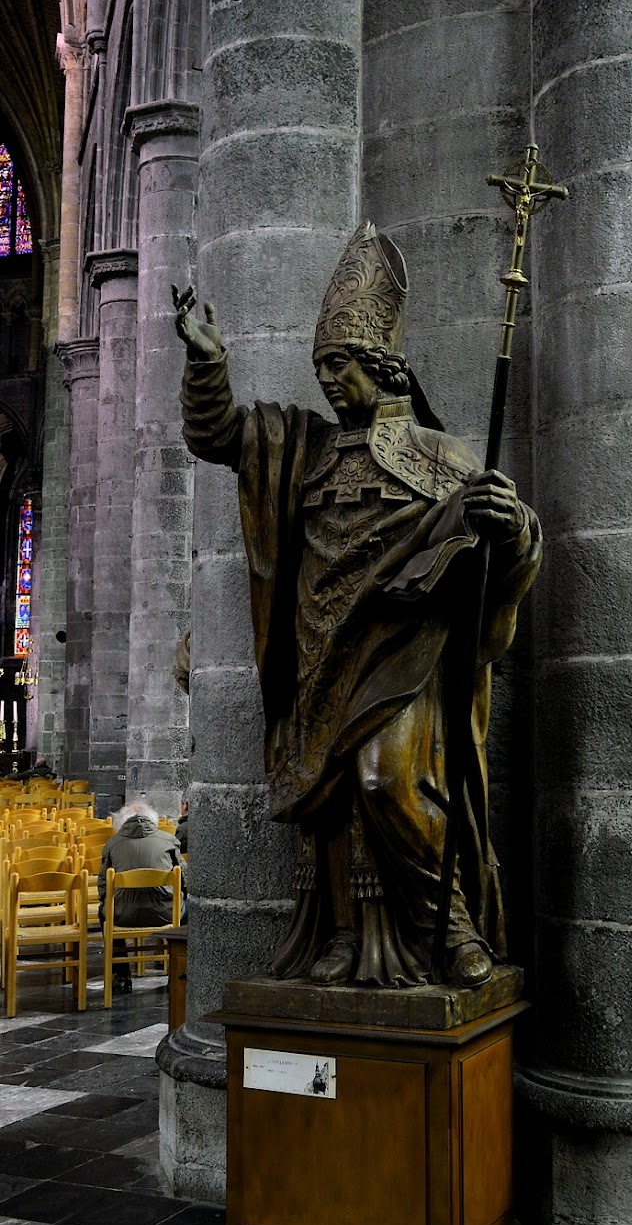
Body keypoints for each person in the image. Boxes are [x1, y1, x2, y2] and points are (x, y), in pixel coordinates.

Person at [173, 222, 541, 988]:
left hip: (404, 657)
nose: (328, 381)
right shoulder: (303, 445)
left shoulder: (442, 457)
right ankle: (345, 935)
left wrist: (511, 531)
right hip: (318, 649)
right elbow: (220, 436)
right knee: (332, 801)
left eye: (339, 364)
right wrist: (208, 364)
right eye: (320, 367)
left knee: (386, 779)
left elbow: (500, 553)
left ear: (382, 363)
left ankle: (453, 928)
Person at [98, 801, 187, 993]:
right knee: (188, 910)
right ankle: (180, 970)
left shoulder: (112, 843)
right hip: (166, 913)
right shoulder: (168, 840)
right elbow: (185, 878)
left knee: (104, 912)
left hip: (123, 916)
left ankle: (121, 974)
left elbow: (103, 886)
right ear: (152, 819)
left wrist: (109, 901)